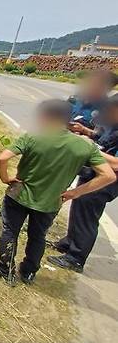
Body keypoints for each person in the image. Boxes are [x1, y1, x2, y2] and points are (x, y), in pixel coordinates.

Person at [0, 99, 116, 285]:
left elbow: (2, 158)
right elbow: (108, 176)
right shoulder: (84, 146)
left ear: (45, 116)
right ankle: (29, 272)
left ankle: (5, 269)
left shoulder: (32, 138)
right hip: (51, 202)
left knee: (10, 230)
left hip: (19, 195)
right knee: (38, 236)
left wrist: (5, 178)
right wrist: (76, 193)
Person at [48, 96, 118, 272]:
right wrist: (86, 132)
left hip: (106, 181)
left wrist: (89, 148)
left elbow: (116, 164)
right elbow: (102, 138)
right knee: (78, 207)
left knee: (87, 215)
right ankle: (69, 243)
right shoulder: (113, 125)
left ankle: (76, 258)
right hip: (93, 172)